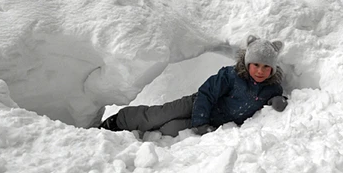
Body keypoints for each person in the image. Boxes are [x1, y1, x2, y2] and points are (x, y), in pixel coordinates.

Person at [100, 35, 287, 136]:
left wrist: (278, 100)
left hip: (214, 120)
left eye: (266, 67)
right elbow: (206, 94)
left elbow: (273, 98)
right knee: (158, 115)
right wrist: (200, 122)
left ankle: (141, 137)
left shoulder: (271, 88)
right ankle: (119, 121)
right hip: (196, 103)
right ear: (247, 63)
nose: (260, 71)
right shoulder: (231, 75)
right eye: (256, 65)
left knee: (169, 130)